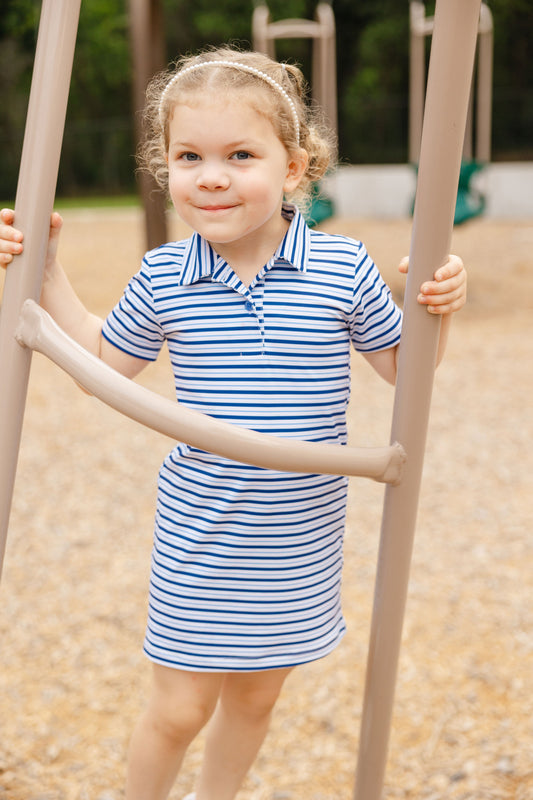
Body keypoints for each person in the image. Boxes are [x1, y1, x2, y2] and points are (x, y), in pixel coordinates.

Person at [0, 47, 466, 800]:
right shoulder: (165, 275)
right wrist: (43, 272)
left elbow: (406, 371)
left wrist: (436, 310)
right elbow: (102, 367)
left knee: (255, 697)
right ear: (167, 170)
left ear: (293, 168)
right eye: (189, 156)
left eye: (238, 154)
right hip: (204, 528)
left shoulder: (342, 269)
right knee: (180, 707)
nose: (210, 175)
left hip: (296, 537)